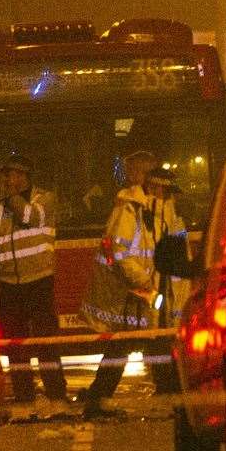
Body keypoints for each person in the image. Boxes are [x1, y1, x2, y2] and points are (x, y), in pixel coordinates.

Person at [78, 153, 183, 416]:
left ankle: (99, 400)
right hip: (135, 293)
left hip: (150, 291)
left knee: (150, 342)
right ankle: (99, 401)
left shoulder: (159, 210)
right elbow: (120, 252)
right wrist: (144, 281)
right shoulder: (130, 209)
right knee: (133, 344)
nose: (171, 196)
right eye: (167, 190)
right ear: (156, 186)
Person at [0, 154, 65, 418]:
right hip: (8, 284)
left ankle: (57, 396)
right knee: (14, 345)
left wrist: (10, 198)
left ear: (25, 177)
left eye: (14, 175)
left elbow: (30, 217)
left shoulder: (44, 200)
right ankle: (24, 400)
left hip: (39, 280)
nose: (9, 180)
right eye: (6, 175)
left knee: (45, 341)